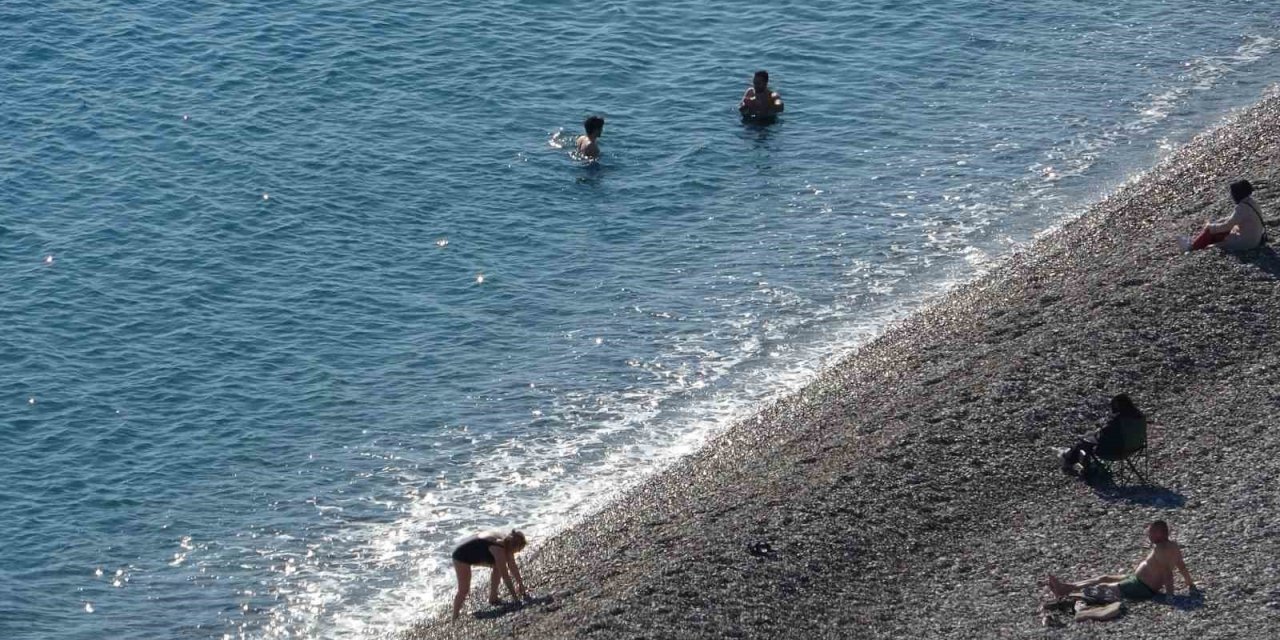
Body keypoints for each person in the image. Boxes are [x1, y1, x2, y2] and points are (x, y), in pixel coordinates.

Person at [1046, 520, 1196, 602]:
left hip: (1142, 587)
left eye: (1151, 531)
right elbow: (1181, 566)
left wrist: (1170, 596)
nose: (1148, 533)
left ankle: (1066, 592)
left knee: (1104, 586)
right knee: (1104, 577)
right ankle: (1068, 586)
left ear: (1160, 533)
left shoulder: (1161, 549)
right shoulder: (1172, 545)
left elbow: (1167, 573)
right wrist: (1190, 584)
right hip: (1137, 579)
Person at [450, 529, 528, 620]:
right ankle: (454, 617)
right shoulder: (499, 549)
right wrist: (515, 599)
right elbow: (505, 576)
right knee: (464, 589)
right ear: (514, 547)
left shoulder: (506, 541)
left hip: (476, 547)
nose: (517, 553)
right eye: (518, 550)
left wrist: (520, 584)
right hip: (461, 555)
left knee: (499, 565)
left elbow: (512, 565)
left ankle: (493, 597)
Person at [1059, 394, 1145, 475]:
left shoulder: (1120, 420)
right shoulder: (1139, 416)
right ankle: (1070, 458)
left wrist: (1097, 433)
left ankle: (1071, 462)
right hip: (1135, 448)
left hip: (1116, 451)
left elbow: (1106, 434)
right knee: (1088, 439)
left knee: (1085, 442)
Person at [1181, 179, 1265, 251]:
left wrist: (1210, 227)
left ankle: (1192, 247)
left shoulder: (1242, 208)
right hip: (1255, 239)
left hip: (1246, 242)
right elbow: (1233, 220)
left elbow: (1227, 226)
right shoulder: (1251, 202)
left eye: (1233, 193)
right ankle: (1197, 242)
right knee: (1218, 228)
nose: (1232, 196)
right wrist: (1218, 222)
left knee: (1212, 237)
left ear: (1238, 194)